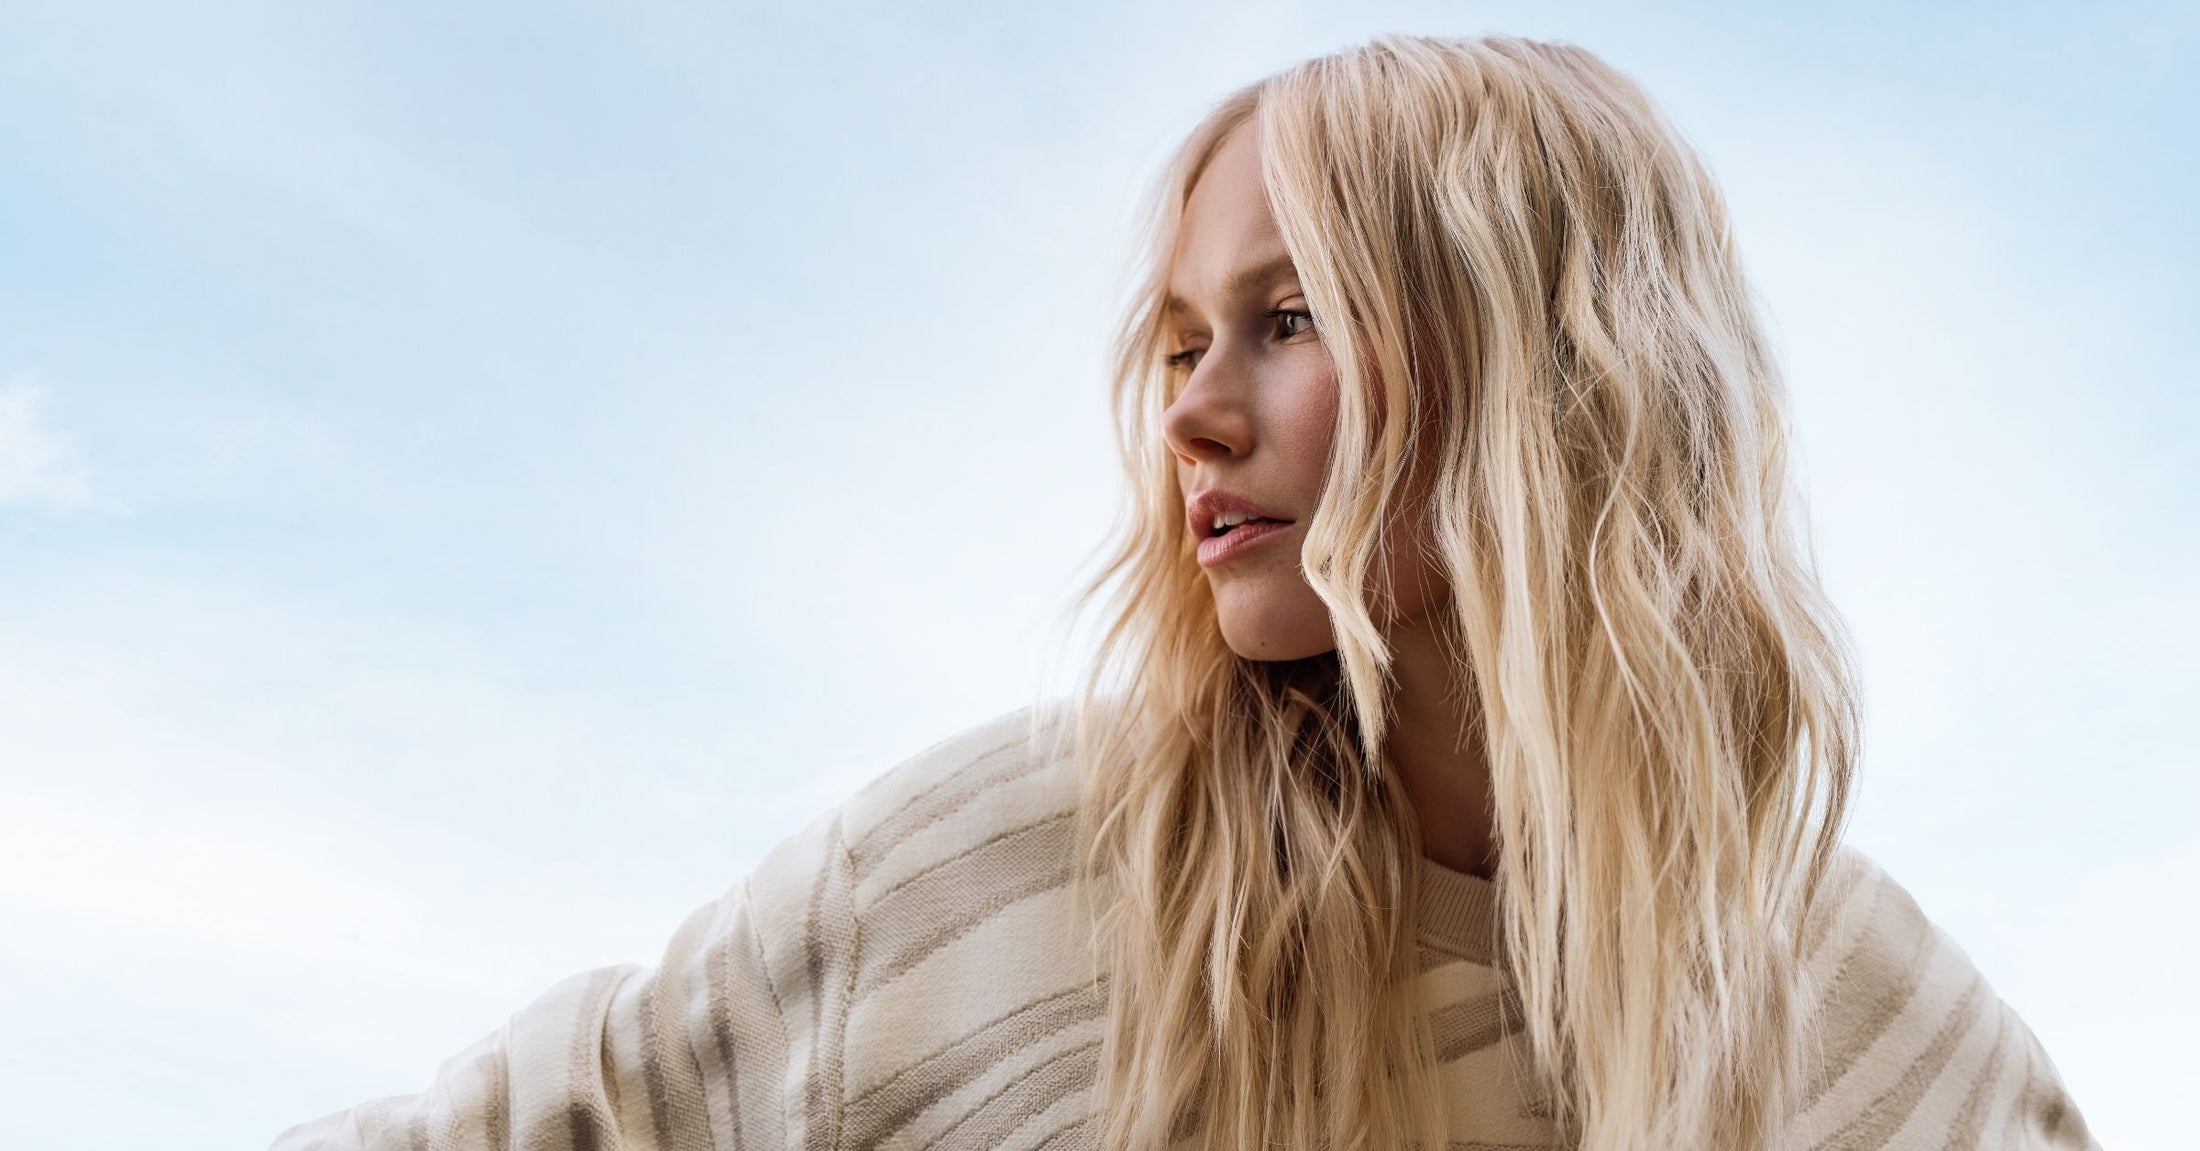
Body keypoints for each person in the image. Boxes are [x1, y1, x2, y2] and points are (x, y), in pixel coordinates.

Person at [271, 34, 2097, 1151]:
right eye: (1177, 342)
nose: (1196, 413)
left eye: (1288, 319)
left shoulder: (1860, 1020)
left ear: (1551, 370)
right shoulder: (996, 875)